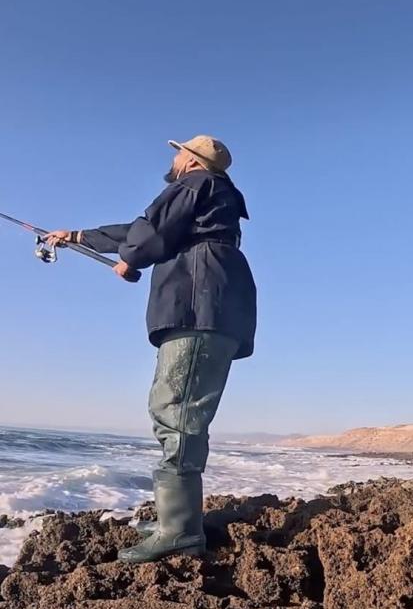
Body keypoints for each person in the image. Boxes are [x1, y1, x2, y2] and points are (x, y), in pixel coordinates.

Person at [46, 135, 257, 564]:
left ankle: (179, 532)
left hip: (196, 310)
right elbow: (142, 231)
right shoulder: (212, 200)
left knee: (176, 411)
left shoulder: (196, 184)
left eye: (179, 152)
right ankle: (173, 519)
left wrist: (132, 259)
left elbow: (148, 235)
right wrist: (79, 236)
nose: (174, 158)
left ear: (192, 161)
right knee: (180, 411)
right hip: (213, 310)